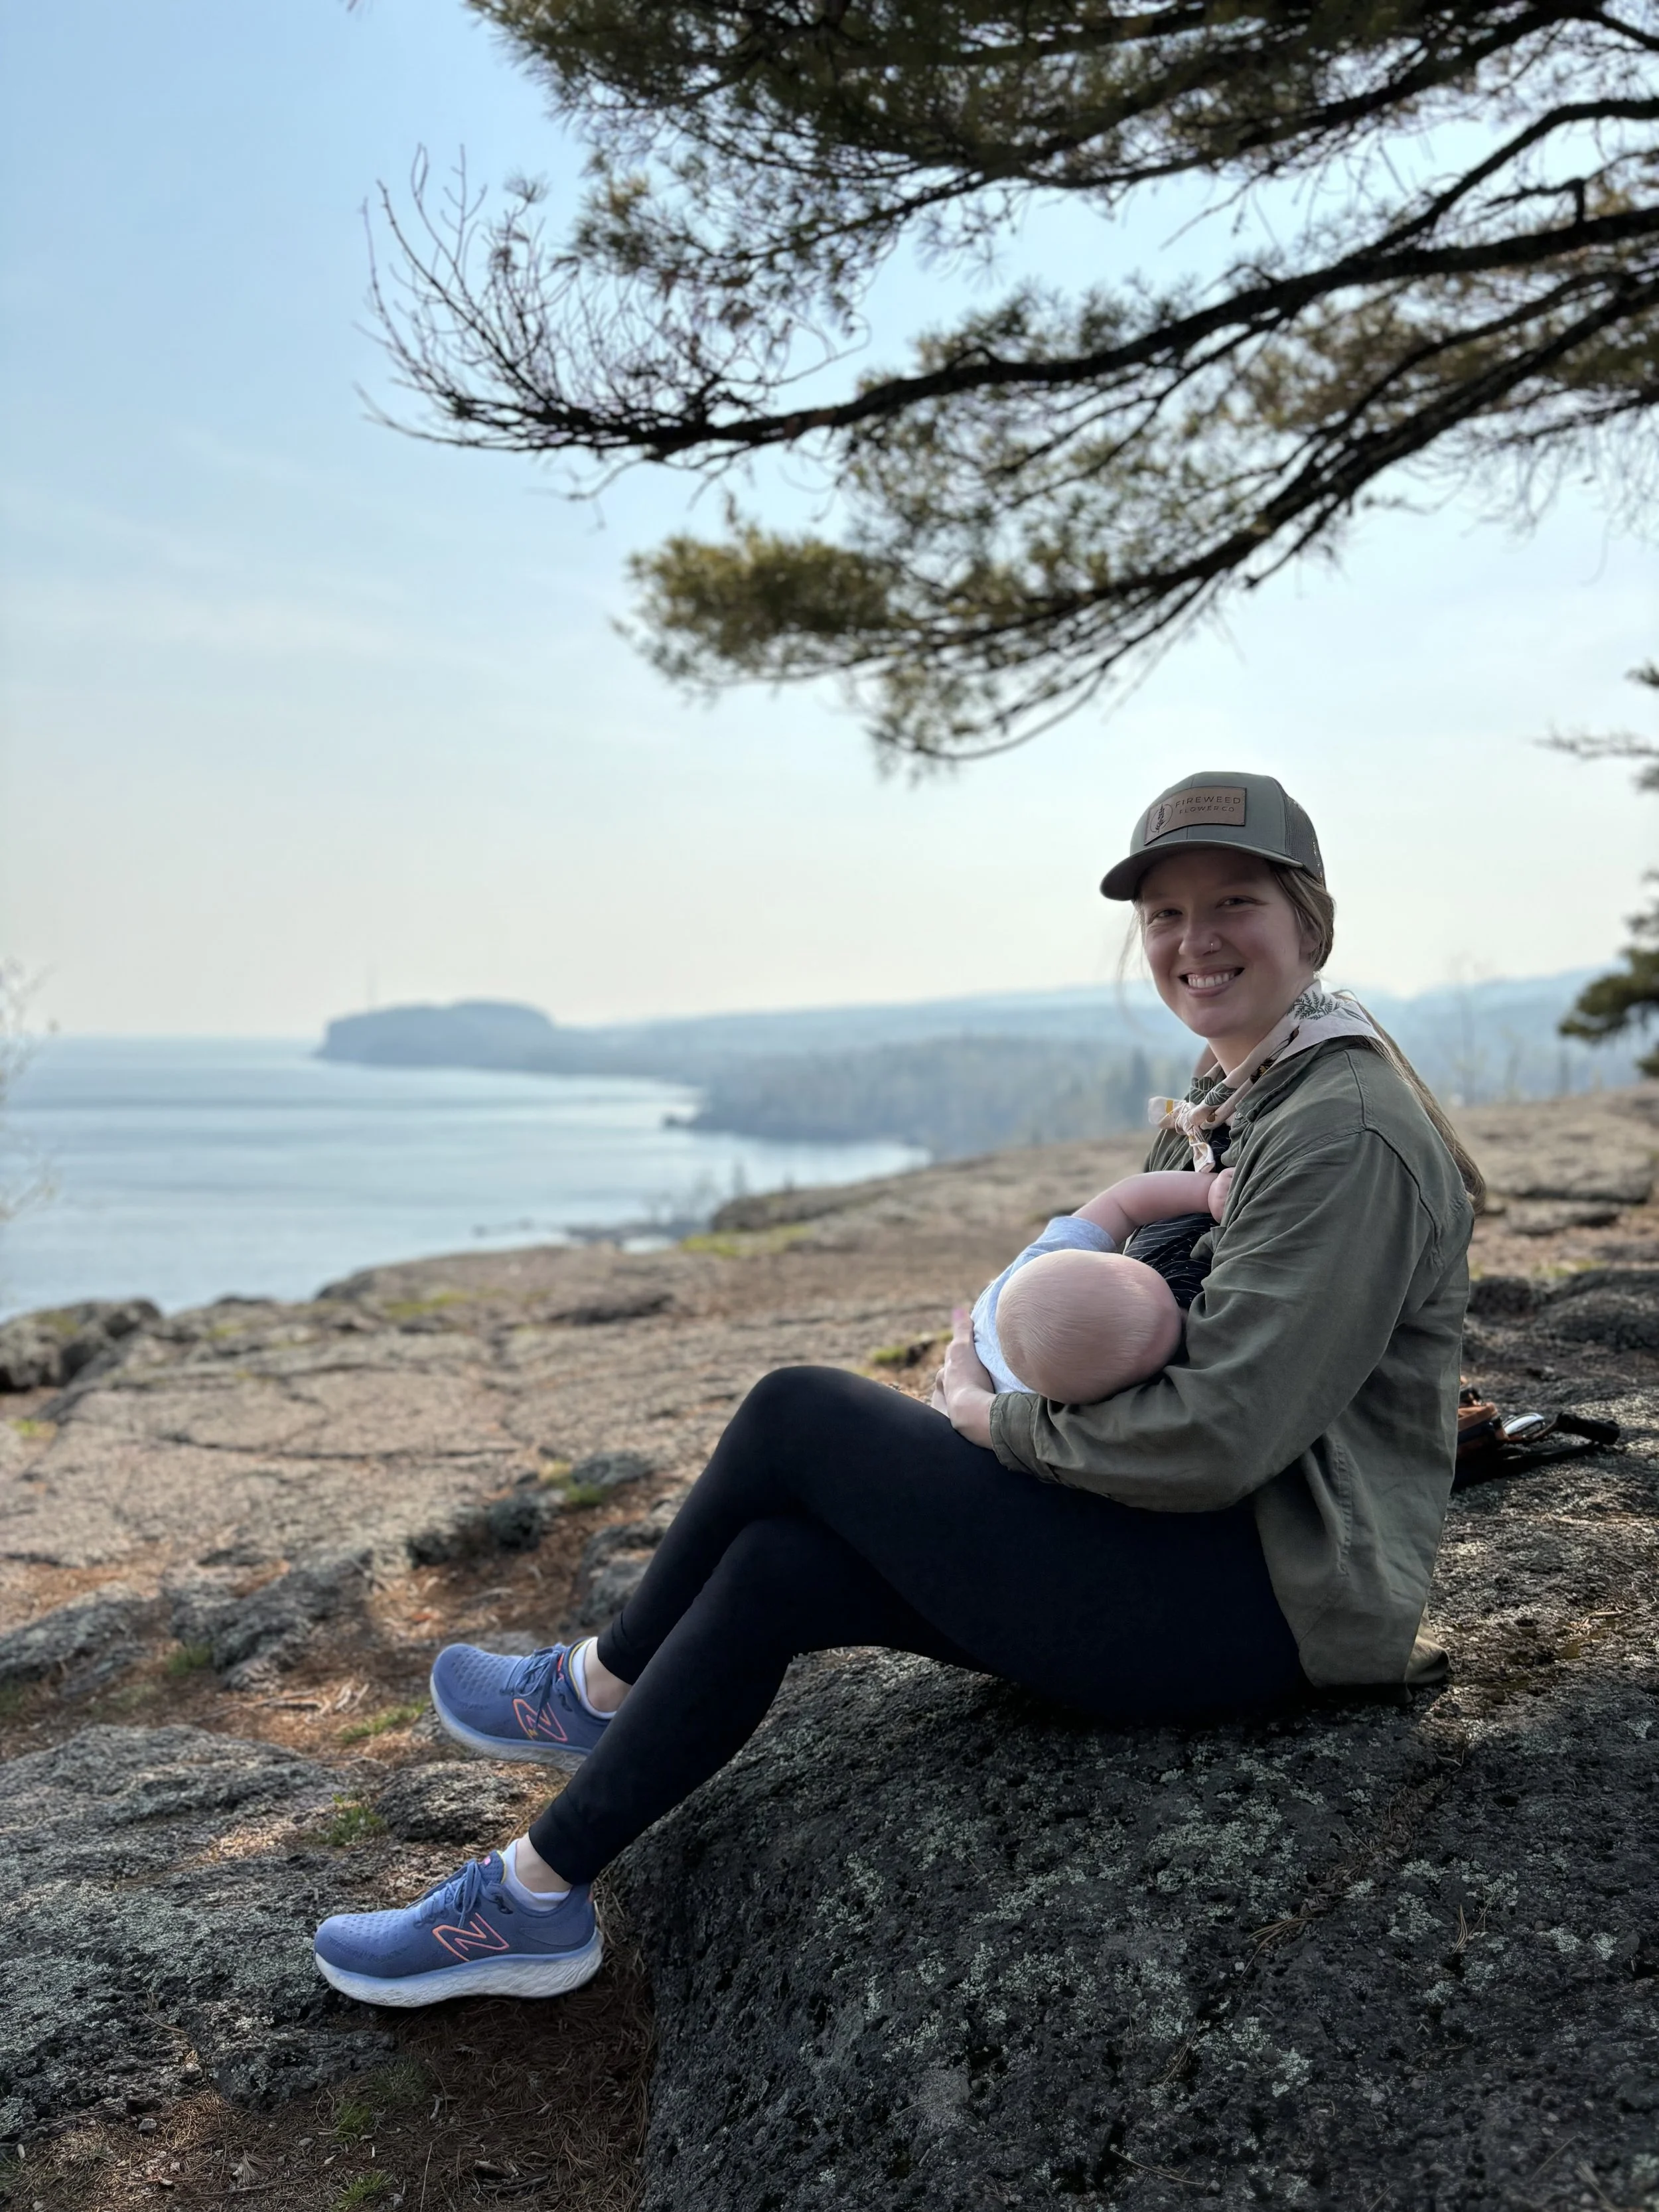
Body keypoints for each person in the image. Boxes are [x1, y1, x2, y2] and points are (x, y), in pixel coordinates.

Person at [313, 769, 1480, 2009]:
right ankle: (531, 1898)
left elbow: (1221, 1435)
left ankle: (595, 1689)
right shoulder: (1244, 1088)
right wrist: (1008, 1365)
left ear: (1309, 920)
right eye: (1164, 914)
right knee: (775, 1566)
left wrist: (989, 1420)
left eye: (1234, 901)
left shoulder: (1341, 1127)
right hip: (1178, 1547)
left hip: (1260, 1601)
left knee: (801, 1411)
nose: (1196, 940)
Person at [968, 1165, 1232, 1402]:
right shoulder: (1027, 1398)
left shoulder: (1053, 1252)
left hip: (993, 1306)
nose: (1183, 1313)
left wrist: (1206, 1192)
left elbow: (1122, 1201)